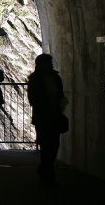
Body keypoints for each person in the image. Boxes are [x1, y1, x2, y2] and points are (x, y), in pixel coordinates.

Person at [28, 53, 67, 184]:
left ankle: (44, 169)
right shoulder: (35, 79)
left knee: (53, 145)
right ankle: (48, 174)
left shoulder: (55, 77)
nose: (50, 65)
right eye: (48, 63)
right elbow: (33, 98)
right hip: (43, 116)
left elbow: (60, 93)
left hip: (53, 115)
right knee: (46, 145)